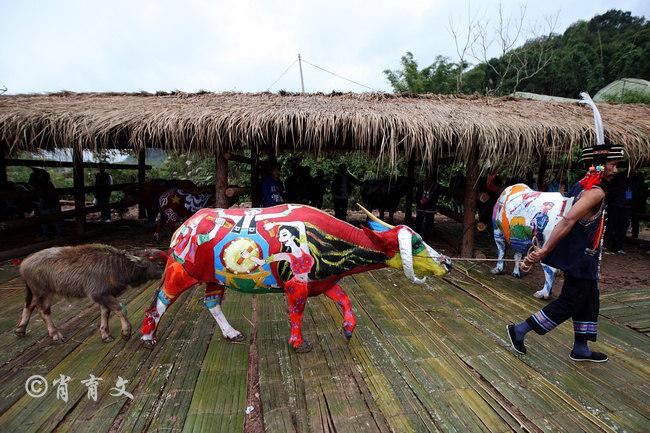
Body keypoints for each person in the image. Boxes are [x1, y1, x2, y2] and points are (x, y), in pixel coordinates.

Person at [506, 142, 625, 363]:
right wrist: (544, 250)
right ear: (599, 166)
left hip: (585, 256)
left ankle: (581, 347)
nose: (615, 170)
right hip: (580, 257)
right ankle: (520, 330)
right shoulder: (594, 193)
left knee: (589, 298)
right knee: (570, 301)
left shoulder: (581, 185)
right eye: (612, 164)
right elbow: (568, 220)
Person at [605, 172, 633, 254]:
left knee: (622, 228)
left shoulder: (630, 186)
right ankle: (608, 245)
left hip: (624, 207)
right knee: (612, 226)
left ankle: (617, 247)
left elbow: (629, 197)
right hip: (616, 206)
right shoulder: (617, 181)